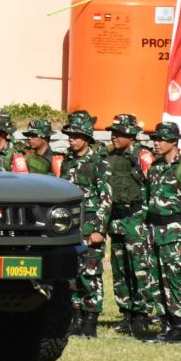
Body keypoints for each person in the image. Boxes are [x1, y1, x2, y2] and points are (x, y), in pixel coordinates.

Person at [143, 122, 181, 344]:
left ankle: (178, 328)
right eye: (155, 139)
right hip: (155, 231)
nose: (156, 143)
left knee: (176, 279)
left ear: (174, 142)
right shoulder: (155, 168)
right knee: (156, 279)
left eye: (161, 139)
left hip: (175, 232)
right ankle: (165, 323)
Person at [104, 113, 157, 335]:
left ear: (132, 136)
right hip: (116, 219)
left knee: (140, 268)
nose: (114, 137)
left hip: (136, 220)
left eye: (119, 134)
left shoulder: (143, 157)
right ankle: (126, 312)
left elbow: (155, 190)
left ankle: (142, 313)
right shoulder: (110, 158)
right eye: (113, 133)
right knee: (120, 269)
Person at [61, 111, 112, 338]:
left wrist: (99, 229)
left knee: (91, 273)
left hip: (90, 226)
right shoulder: (67, 161)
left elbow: (106, 198)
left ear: (87, 138)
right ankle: (76, 317)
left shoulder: (98, 163)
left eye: (76, 135)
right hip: (71, 226)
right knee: (72, 274)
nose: (71, 139)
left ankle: (91, 319)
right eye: (70, 135)